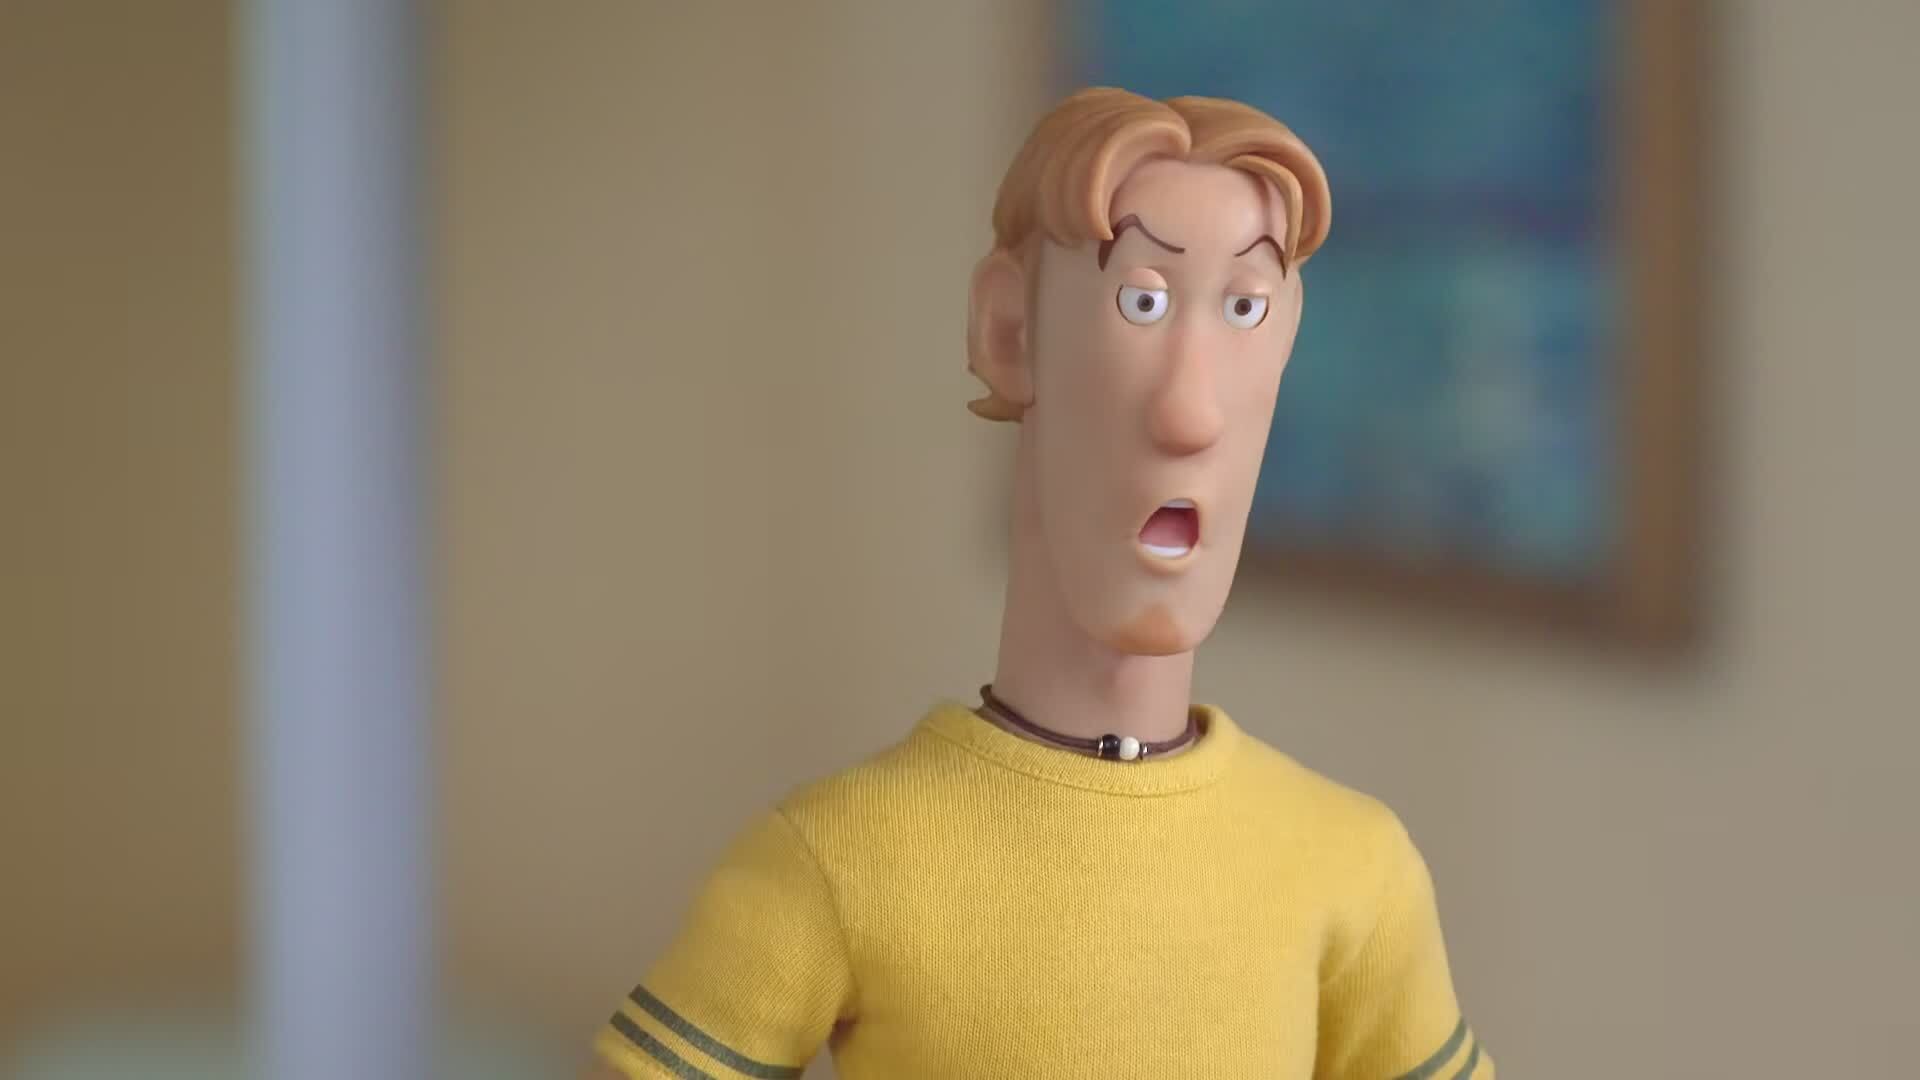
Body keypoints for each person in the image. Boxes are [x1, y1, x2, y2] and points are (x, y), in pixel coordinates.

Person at [588, 87, 1492, 1080]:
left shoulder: (1355, 872)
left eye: (1245, 307)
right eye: (1142, 301)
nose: (1192, 409)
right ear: (1009, 330)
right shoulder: (837, 860)